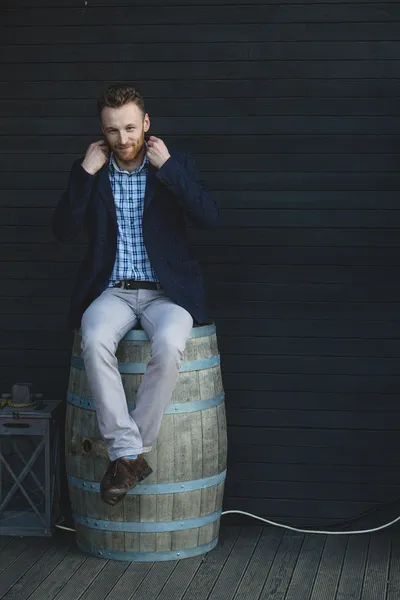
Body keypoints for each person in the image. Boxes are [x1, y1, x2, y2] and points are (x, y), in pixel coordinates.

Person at [52, 84, 219, 506]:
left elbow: (209, 218)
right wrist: (83, 175)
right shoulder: (91, 169)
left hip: (169, 294)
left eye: (130, 127)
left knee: (168, 343)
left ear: (146, 123)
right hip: (114, 292)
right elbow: (63, 230)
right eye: (112, 130)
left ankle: (125, 456)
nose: (123, 139)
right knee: (93, 339)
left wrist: (171, 172)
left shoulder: (174, 164)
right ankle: (129, 453)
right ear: (101, 131)